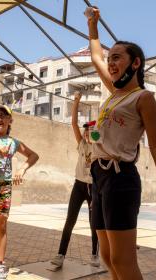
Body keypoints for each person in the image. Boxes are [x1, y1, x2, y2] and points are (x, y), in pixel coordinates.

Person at [87, 8, 156, 280]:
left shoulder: (142, 98)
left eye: (117, 58)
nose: (110, 63)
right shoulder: (114, 93)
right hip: (98, 176)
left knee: (123, 260)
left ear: (135, 63)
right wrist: (92, 24)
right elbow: (94, 57)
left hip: (120, 178)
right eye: (109, 58)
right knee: (107, 257)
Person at [0, 105, 39, 280]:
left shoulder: (13, 142)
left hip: (3, 187)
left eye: (3, 116)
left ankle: (0, 264)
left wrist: (22, 170)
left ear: (10, 120)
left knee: (0, 226)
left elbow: (33, 155)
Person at [50, 92, 100, 268]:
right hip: (79, 185)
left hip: (94, 187)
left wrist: (96, 136)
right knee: (70, 220)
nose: (87, 132)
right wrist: (76, 102)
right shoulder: (81, 144)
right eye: (86, 129)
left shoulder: (100, 147)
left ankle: (95, 254)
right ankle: (60, 254)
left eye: (91, 130)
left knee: (94, 223)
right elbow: (73, 123)